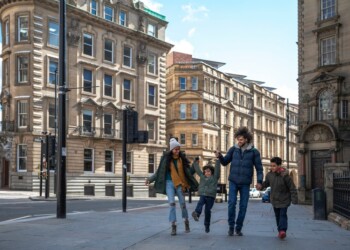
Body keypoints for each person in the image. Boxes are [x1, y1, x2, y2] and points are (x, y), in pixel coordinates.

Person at [215, 126, 263, 236]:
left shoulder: (254, 152)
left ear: (246, 139)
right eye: (238, 139)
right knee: (231, 203)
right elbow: (225, 162)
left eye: (241, 139)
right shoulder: (233, 149)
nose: (239, 141)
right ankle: (231, 227)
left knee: (243, 206)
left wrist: (259, 181)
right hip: (233, 181)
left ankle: (238, 227)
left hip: (245, 183)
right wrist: (220, 156)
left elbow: (259, 168)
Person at [145, 138, 198, 236]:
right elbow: (159, 172)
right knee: (172, 204)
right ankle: (173, 225)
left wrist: (195, 168)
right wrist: (150, 179)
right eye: (175, 149)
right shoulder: (165, 159)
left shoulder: (182, 159)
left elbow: (188, 173)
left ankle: (186, 221)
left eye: (178, 149)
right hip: (169, 183)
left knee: (183, 204)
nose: (177, 151)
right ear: (171, 149)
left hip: (180, 184)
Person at [262, 157, 298, 239]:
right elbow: (266, 183)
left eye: (274, 166)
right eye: (271, 166)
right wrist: (260, 186)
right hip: (274, 200)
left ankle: (282, 230)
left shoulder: (285, 176)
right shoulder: (269, 175)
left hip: (284, 199)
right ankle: (280, 231)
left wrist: (294, 199)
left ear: (279, 165)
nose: (272, 167)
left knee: (282, 215)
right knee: (277, 216)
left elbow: (292, 188)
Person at [191, 159, 220, 233]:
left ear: (212, 172)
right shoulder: (202, 176)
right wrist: (195, 163)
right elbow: (197, 170)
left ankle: (207, 225)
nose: (207, 173)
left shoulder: (214, 178)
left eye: (209, 171)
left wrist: (217, 161)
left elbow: (217, 171)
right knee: (200, 202)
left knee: (207, 211)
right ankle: (197, 214)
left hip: (211, 197)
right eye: (206, 172)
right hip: (203, 195)